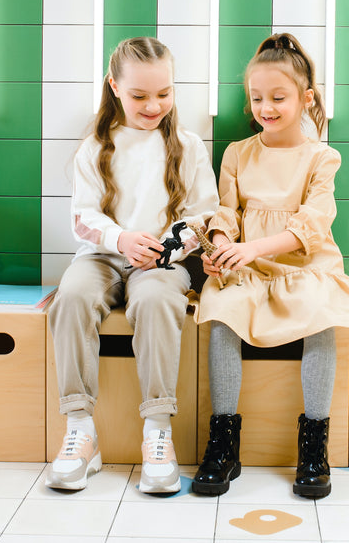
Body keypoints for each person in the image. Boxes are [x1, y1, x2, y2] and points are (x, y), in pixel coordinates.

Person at [191, 33, 349, 499]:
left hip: (306, 266)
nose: (266, 107)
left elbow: (312, 225)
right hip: (248, 268)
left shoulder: (322, 157)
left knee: (317, 312)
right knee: (222, 311)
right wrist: (223, 246)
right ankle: (224, 443)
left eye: (278, 97)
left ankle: (314, 445)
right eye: (257, 98)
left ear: (306, 98)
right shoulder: (237, 153)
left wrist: (253, 248)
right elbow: (226, 212)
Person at [46, 37, 218, 494]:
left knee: (159, 300)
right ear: (114, 87)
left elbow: (205, 212)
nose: (154, 105)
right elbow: (83, 218)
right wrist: (119, 237)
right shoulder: (95, 147)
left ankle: (157, 430)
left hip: (162, 263)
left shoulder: (189, 145)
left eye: (164, 93)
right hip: (102, 257)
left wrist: (165, 247)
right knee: (72, 298)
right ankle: (80, 430)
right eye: (140, 95)